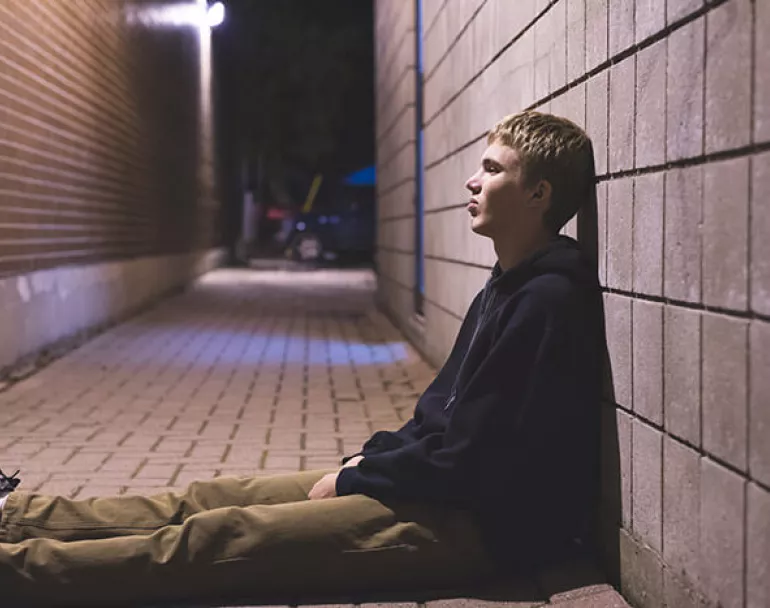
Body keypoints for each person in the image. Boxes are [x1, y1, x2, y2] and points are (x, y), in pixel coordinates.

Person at [0, 111, 604, 607]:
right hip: (439, 487)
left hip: (480, 528)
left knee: (218, 540)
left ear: (537, 194)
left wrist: (357, 477)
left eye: (493, 169)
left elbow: (473, 460)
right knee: (216, 496)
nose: (472, 181)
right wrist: (370, 457)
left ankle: (19, 572)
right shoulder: (505, 283)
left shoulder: (547, 301)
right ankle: (16, 515)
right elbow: (438, 422)